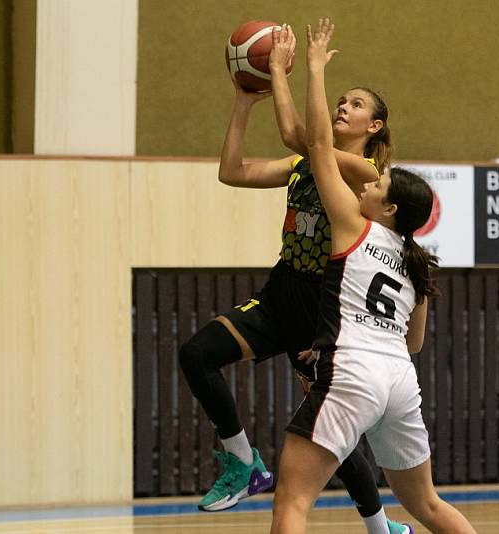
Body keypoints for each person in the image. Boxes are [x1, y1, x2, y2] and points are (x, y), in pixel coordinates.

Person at [178, 22, 412, 534]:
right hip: (281, 291)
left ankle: (380, 527)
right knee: (196, 354)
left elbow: (298, 135)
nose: (342, 106)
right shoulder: (304, 162)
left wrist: (289, 71)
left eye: (354, 104)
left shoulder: (367, 175)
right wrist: (244, 103)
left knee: (330, 434)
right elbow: (232, 171)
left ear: (374, 128)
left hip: (321, 310)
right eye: (341, 100)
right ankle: (242, 462)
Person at [269, 18, 478, 534]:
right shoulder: (417, 261)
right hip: (399, 382)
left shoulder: (353, 228)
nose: (370, 181)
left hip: (354, 373)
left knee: (292, 503)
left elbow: (316, 144)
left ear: (386, 210)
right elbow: (414, 341)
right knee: (426, 505)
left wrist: (313, 69)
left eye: (379, 184)